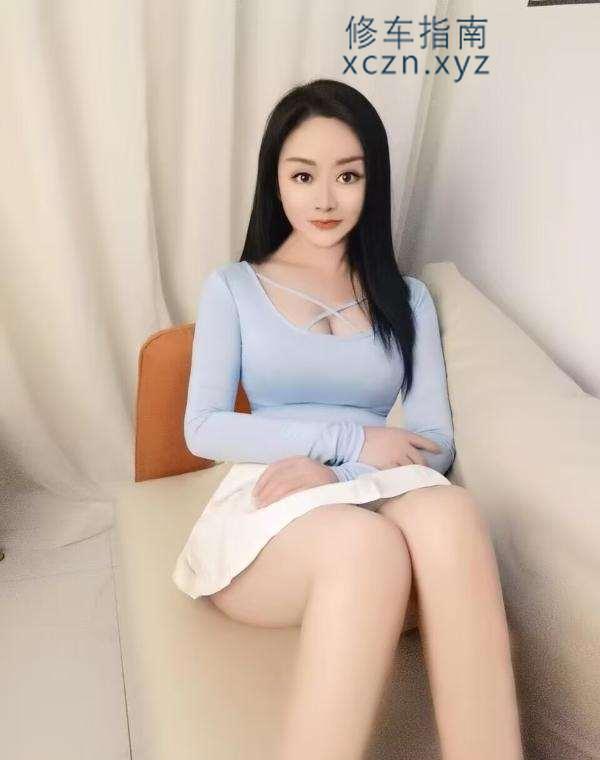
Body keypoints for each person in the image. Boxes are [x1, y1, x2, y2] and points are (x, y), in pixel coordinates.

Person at [173, 78, 524, 760]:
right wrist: (343, 439)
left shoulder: (407, 298)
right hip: (278, 488)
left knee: (453, 512)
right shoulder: (234, 286)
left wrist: (345, 468)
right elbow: (204, 426)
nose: (325, 200)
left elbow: (434, 442)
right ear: (276, 181)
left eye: (348, 176)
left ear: (373, 182)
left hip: (378, 480)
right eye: (303, 176)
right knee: (366, 547)